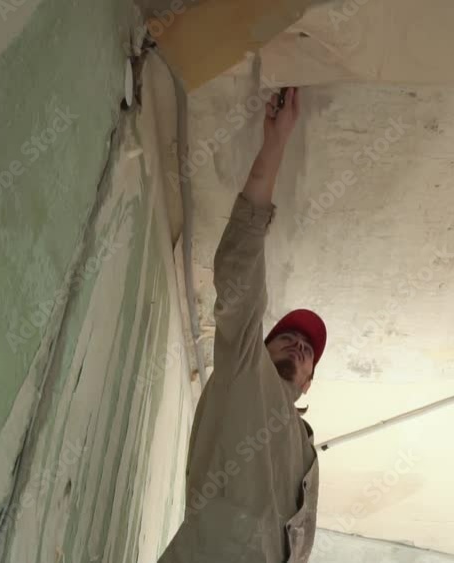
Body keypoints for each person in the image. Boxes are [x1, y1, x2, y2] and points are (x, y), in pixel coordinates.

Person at [158, 87, 325, 563]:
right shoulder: (243, 368)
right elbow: (239, 269)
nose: (297, 344)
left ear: (311, 380)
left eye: (307, 349)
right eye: (286, 338)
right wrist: (275, 146)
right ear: (257, 344)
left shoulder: (305, 448)